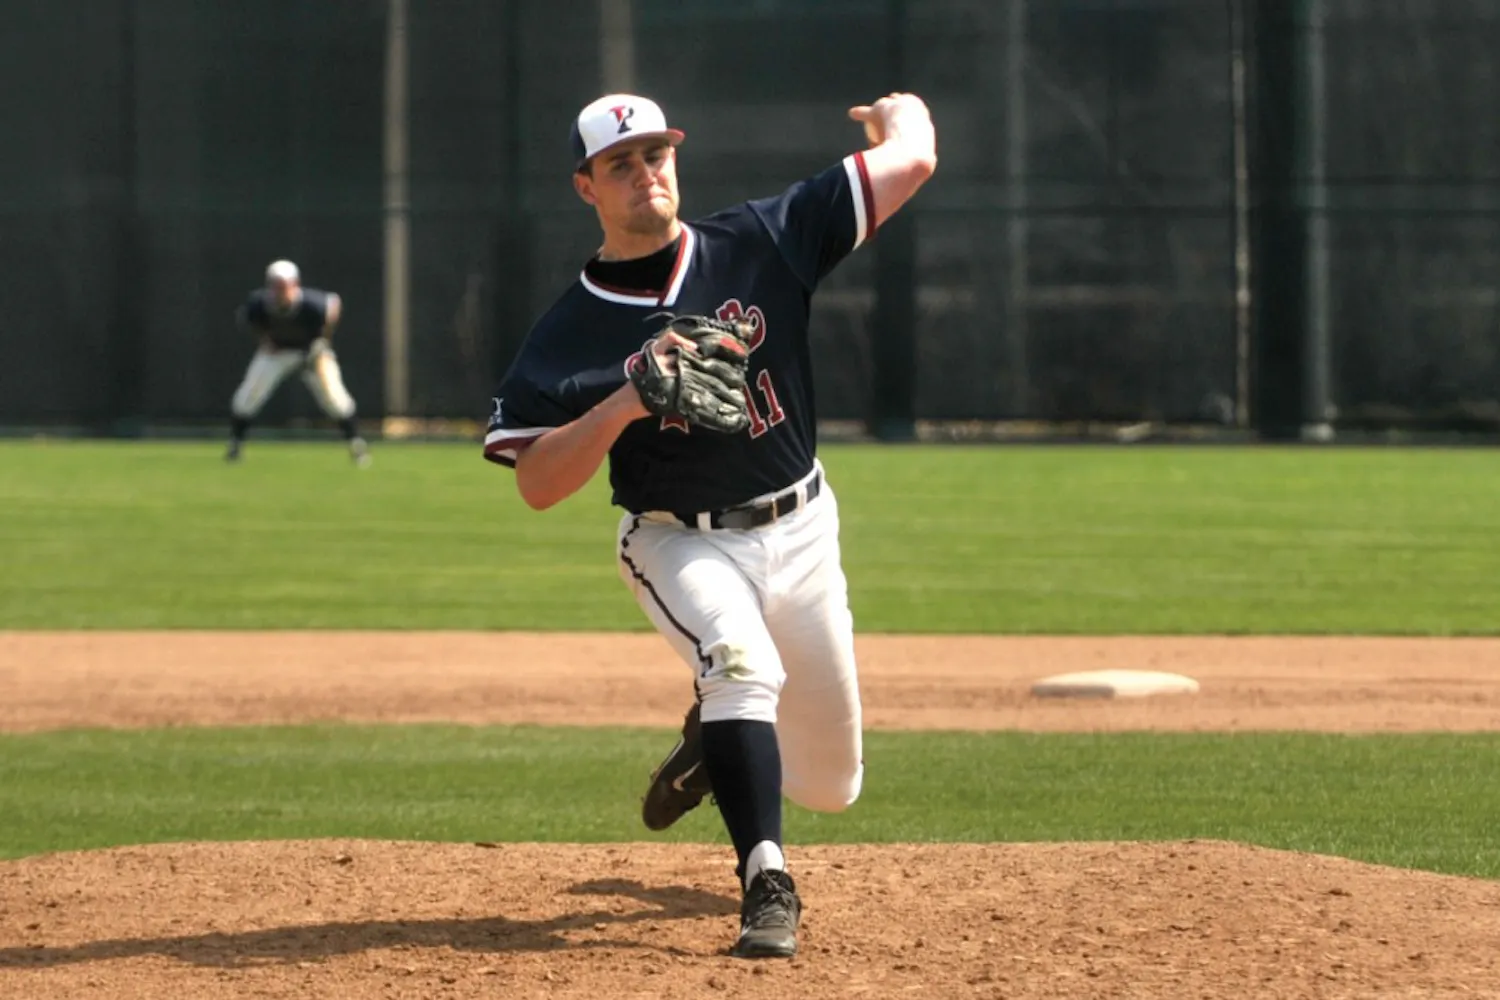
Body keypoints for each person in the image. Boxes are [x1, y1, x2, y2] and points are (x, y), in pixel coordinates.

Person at [483, 91, 936, 958]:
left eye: (656, 154)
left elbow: (911, 163)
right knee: (739, 665)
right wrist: (626, 400)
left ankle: (709, 746)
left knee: (833, 785)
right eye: (621, 163)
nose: (645, 173)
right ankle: (766, 881)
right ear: (586, 187)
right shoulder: (569, 329)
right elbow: (538, 483)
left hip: (801, 529)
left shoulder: (759, 242)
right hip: (677, 538)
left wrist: (901, 117)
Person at [226, 260, 370, 466]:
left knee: (335, 399)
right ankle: (235, 445)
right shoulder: (258, 304)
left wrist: (322, 342)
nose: (280, 290)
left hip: (310, 354)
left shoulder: (312, 305)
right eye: (276, 285)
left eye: (284, 285)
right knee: (248, 395)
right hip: (277, 353)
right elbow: (249, 321)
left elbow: (333, 305)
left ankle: (357, 446)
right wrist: (265, 341)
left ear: (295, 284)